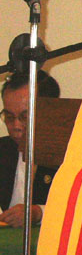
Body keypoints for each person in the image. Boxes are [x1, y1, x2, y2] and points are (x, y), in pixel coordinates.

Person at [0, 70, 60, 227]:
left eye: (25, 117)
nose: (16, 126)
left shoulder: (72, 156)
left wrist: (38, 213)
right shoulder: (3, 149)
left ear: (50, 112)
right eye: (9, 117)